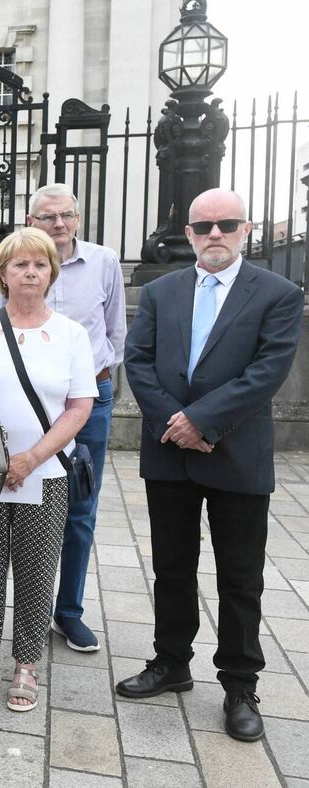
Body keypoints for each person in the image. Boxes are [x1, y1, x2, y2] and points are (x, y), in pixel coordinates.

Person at [119, 188, 303, 742]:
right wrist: (175, 423)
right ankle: (171, 662)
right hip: (170, 453)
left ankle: (240, 685)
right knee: (173, 566)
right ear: (190, 233)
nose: (214, 234)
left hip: (237, 455)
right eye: (203, 226)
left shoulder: (277, 293)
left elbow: (267, 372)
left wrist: (201, 421)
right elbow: (139, 360)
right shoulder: (160, 291)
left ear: (245, 228)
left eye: (226, 224)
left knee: (240, 577)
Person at [0, 227, 95, 713]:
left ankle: (27, 663)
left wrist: (31, 458)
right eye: (20, 265)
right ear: (2, 274)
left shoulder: (71, 334)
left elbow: (79, 408)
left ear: (51, 274)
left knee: (37, 571)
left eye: (40, 264)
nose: (31, 272)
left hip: (46, 471)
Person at [23, 184, 126, 652]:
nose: (58, 224)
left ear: (78, 219)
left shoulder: (104, 262)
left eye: (66, 215)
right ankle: (30, 610)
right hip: (33, 401)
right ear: (31, 222)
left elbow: (116, 331)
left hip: (92, 397)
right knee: (31, 502)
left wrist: (94, 380)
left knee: (80, 505)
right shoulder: (23, 261)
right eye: (47, 216)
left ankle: (69, 612)